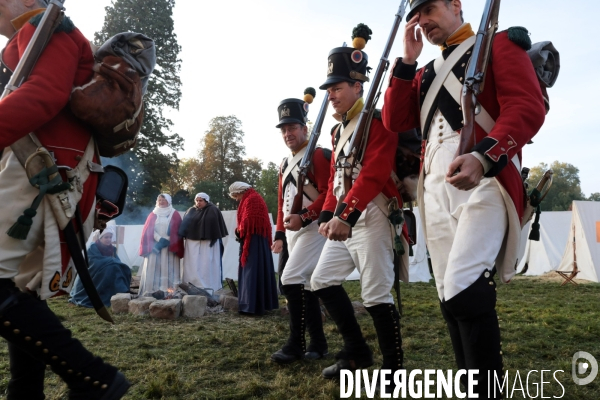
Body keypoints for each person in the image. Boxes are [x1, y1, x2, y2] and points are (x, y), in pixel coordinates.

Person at [382, 0, 546, 396]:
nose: (423, 20)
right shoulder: (423, 74)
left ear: (456, 5)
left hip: (484, 180)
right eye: (417, 15)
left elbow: (528, 106)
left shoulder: (498, 44)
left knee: (462, 285)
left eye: (431, 8)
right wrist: (406, 61)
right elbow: (394, 120)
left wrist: (484, 155)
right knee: (447, 295)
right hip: (433, 190)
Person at [0, 1, 130, 398]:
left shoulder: (49, 27)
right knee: (20, 292)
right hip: (43, 172)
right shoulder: (41, 32)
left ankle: (93, 378)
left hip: (40, 173)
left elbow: (43, 96)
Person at [309, 25, 407, 382]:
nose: (331, 95)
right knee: (322, 281)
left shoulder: (378, 120)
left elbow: (375, 174)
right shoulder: (338, 131)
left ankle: (394, 369)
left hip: (374, 215)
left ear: (357, 86)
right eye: (330, 89)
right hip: (345, 219)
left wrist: (345, 214)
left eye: (337, 88)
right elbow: (338, 177)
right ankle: (357, 352)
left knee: (377, 294)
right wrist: (326, 215)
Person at [269, 90, 331, 364]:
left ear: (305, 128)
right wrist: (280, 233)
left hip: (314, 227)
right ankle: (317, 344)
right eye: (284, 129)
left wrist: (305, 216)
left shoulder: (318, 155)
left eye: (292, 127)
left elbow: (330, 193)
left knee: (289, 278)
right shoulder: (284, 163)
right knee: (305, 287)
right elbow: (282, 200)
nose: (287, 133)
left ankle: (296, 344)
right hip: (293, 232)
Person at [229, 182, 279, 315]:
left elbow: (249, 221)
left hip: (254, 239)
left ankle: (251, 305)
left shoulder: (252, 199)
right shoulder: (251, 197)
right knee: (255, 269)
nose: (237, 199)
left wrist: (240, 231)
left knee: (252, 270)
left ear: (239, 192)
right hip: (255, 238)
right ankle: (255, 304)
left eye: (236, 196)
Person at [69, 226, 132, 308]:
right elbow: (93, 262)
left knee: (118, 268)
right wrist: (111, 261)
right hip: (92, 274)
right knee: (111, 268)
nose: (109, 239)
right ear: (100, 238)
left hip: (107, 272)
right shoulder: (93, 247)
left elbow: (117, 262)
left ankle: (121, 293)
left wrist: (112, 262)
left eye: (110, 237)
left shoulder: (112, 249)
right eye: (106, 237)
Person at [179, 192, 228, 292]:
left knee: (206, 263)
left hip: (208, 243)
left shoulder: (213, 210)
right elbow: (185, 225)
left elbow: (213, 225)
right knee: (191, 264)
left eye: (200, 200)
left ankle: (208, 286)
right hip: (192, 243)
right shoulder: (191, 210)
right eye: (197, 200)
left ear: (206, 201)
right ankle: (191, 284)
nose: (198, 202)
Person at [138, 193, 184, 295]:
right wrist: (159, 238)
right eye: (159, 200)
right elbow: (148, 230)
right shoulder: (153, 214)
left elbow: (177, 229)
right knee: (154, 267)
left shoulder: (174, 214)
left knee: (168, 267)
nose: (161, 202)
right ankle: (151, 289)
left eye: (164, 200)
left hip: (169, 246)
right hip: (155, 245)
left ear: (168, 201)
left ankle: (169, 290)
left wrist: (167, 239)